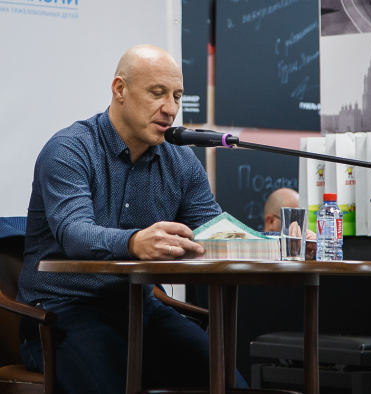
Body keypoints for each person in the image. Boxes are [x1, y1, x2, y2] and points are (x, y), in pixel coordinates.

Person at [17, 45, 247, 392]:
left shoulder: (182, 162)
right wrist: (134, 242)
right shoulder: (69, 149)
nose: (170, 109)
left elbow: (215, 233)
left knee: (227, 383)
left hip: (140, 309)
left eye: (177, 96)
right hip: (61, 310)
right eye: (157, 93)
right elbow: (74, 233)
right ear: (120, 89)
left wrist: (280, 243)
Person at [263, 188, 317, 259]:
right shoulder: (253, 251)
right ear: (271, 221)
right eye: (292, 220)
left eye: (301, 222)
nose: (298, 228)